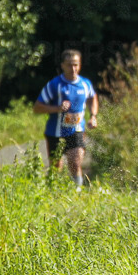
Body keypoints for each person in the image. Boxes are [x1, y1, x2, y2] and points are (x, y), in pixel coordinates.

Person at [33, 49, 98, 190]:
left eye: (76, 64)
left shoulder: (85, 84)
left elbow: (93, 97)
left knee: (75, 162)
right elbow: (37, 107)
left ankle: (77, 192)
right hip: (55, 132)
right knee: (56, 168)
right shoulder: (54, 85)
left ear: (80, 65)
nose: (73, 69)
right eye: (69, 65)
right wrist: (57, 108)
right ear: (62, 65)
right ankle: (53, 193)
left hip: (76, 130)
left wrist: (93, 116)